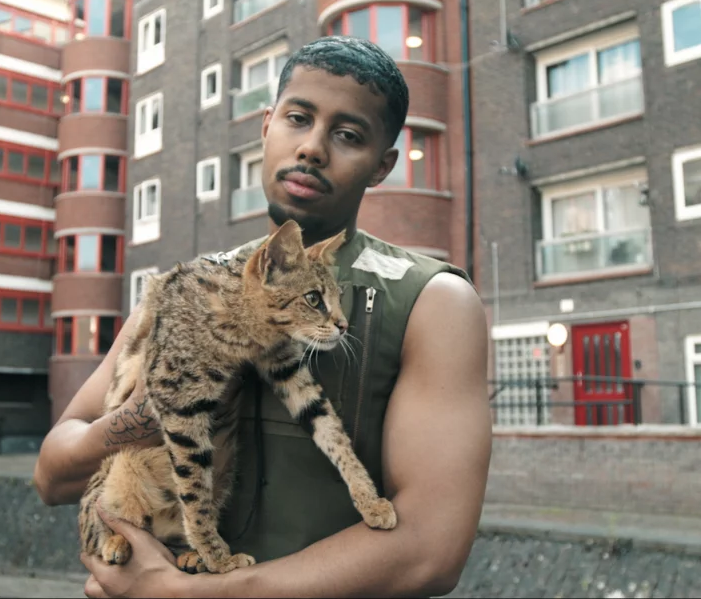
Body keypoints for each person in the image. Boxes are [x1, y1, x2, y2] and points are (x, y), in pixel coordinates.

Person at [33, 35, 493, 598]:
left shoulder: (431, 300)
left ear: (382, 166)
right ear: (266, 126)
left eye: (348, 135)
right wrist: (143, 417)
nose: (313, 149)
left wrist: (183, 594)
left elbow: (431, 552)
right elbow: (52, 474)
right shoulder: (187, 289)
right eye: (298, 119)